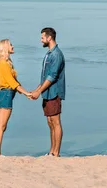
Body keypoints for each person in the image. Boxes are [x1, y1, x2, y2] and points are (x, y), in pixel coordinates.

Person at [30, 27, 66, 157]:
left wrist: (38, 91)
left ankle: (56, 153)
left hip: (54, 92)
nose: (41, 40)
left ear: (49, 38)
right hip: (47, 92)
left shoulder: (56, 55)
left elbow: (52, 77)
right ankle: (51, 151)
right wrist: (36, 90)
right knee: (50, 122)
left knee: (56, 122)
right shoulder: (49, 54)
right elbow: (45, 76)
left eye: (42, 38)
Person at [0, 38, 31, 156]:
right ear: (4, 48)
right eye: (10, 45)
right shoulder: (3, 64)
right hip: (6, 94)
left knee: (2, 126)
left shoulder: (7, 63)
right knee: (1, 126)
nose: (13, 46)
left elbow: (15, 81)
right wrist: (26, 93)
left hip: (7, 94)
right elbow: (12, 83)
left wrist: (24, 92)